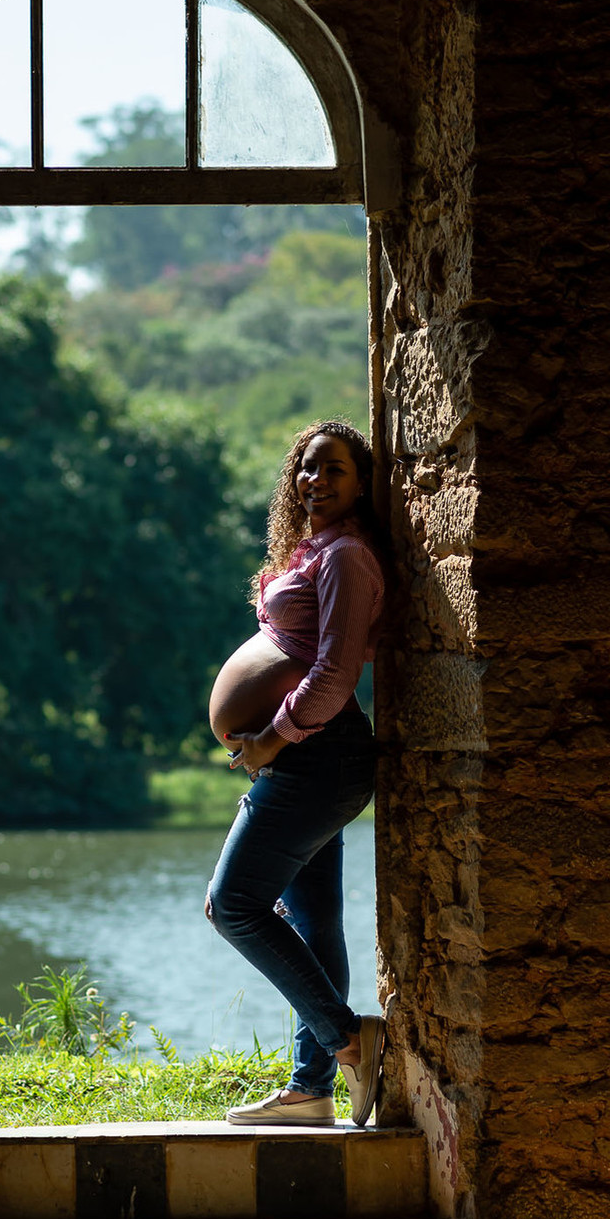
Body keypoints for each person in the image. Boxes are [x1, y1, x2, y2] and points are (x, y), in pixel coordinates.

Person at [204, 419, 387, 1127]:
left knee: (236, 907)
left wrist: (272, 743)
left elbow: (335, 675)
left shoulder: (346, 557)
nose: (315, 480)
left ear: (362, 483)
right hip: (313, 758)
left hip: (316, 755)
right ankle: (311, 1092)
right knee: (312, 924)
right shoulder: (317, 549)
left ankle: (347, 1041)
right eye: (307, 468)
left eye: (334, 469)